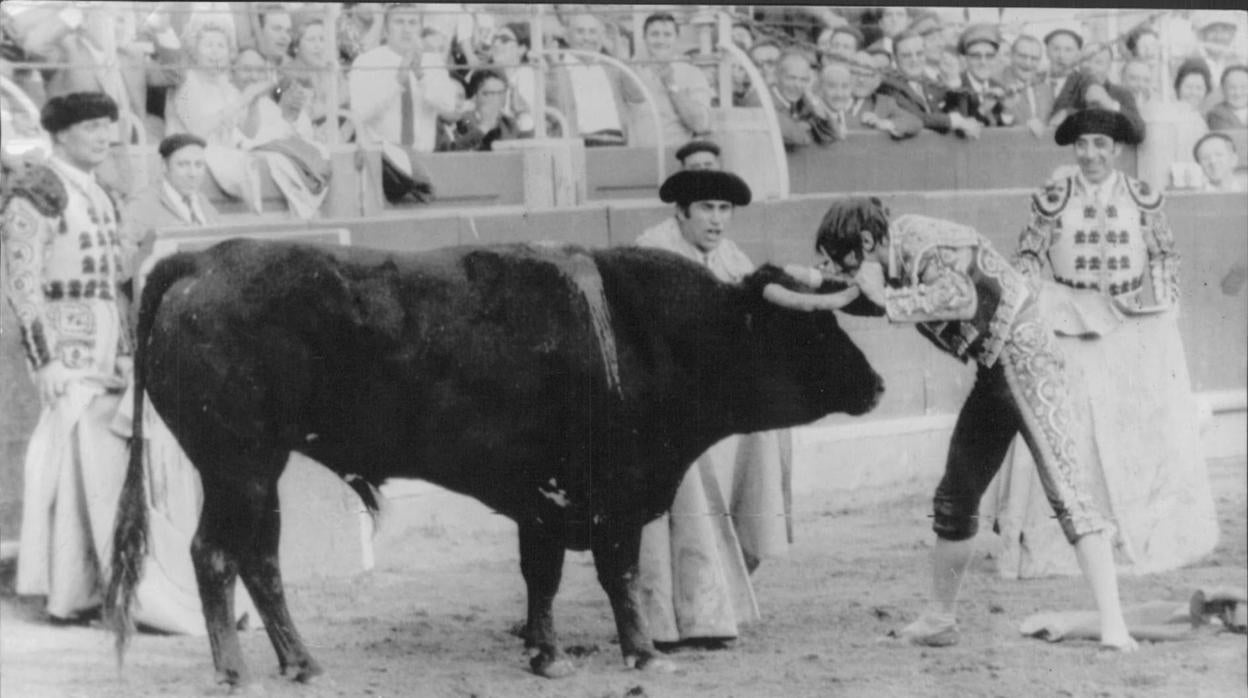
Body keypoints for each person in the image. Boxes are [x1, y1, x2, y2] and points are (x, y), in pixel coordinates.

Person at [805, 195, 1138, 651]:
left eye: (847, 259)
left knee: (1068, 491)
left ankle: (1115, 627)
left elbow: (957, 297)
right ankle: (939, 618)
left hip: (1028, 361)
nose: (848, 269)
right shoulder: (897, 251)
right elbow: (866, 295)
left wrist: (882, 295)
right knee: (957, 495)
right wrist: (816, 283)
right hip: (996, 367)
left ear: (866, 241)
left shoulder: (921, 243)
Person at [1, 93, 241, 635]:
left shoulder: (104, 193)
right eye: (91, 127)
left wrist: (131, 345)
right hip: (67, 344)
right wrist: (46, 358)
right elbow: (22, 283)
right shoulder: (35, 193)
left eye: (108, 127)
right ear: (59, 134)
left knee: (104, 464)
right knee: (74, 461)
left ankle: (97, 588)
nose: (105, 137)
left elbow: (116, 282)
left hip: (109, 340)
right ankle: (75, 592)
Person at [985, 109, 1220, 582]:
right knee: (1070, 429)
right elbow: (1028, 257)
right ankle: (1071, 538)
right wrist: (1028, 312)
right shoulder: (1053, 199)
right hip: (1069, 321)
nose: (1091, 154)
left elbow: (1164, 255)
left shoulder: (1142, 197)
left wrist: (1167, 310)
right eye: (1083, 145)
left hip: (1130, 326)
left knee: (1133, 430)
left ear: (1117, 151)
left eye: (1100, 146)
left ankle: (1134, 528)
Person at [634, 169, 793, 649]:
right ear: (679, 213)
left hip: (709, 397)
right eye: (706, 208)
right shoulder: (652, 253)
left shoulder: (729, 255)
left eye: (725, 210)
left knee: (765, 439)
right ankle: (670, 619)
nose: (718, 220)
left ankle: (717, 600)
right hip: (656, 406)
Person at [623, 13, 713, 148]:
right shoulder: (632, 72)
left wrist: (671, 85)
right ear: (644, 38)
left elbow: (700, 124)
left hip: (676, 155)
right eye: (654, 34)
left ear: (676, 38)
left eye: (667, 35)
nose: (660, 40)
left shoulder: (693, 73)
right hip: (637, 157)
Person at [877, 31, 982, 139]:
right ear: (895, 58)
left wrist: (955, 83)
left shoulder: (929, 83)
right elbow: (918, 117)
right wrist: (953, 120)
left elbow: (954, 114)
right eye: (906, 55)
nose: (914, 60)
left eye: (919, 53)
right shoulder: (888, 85)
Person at [545, 12, 628, 146]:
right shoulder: (558, 69)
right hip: (580, 144)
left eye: (592, 32)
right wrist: (556, 68)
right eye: (580, 32)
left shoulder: (611, 68)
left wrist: (622, 58)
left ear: (601, 37)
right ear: (567, 36)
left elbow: (637, 97)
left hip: (617, 142)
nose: (587, 38)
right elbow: (554, 111)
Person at [122, 133, 220, 242]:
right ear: (164, 166)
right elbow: (126, 251)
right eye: (183, 164)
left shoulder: (204, 204)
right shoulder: (142, 204)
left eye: (198, 165)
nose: (193, 173)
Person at [438, 68, 531, 151]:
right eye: (489, 93)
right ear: (475, 97)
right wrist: (485, 126)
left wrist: (523, 115)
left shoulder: (509, 123)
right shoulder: (462, 121)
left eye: (501, 93)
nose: (495, 99)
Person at [843, 51, 922, 139]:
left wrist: (884, 123)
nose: (861, 79)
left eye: (867, 75)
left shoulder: (884, 103)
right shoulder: (829, 97)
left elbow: (915, 122)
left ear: (877, 82)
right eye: (855, 73)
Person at [771, 51, 838, 149]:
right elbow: (800, 138)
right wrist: (806, 126)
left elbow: (836, 133)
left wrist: (811, 97)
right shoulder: (765, 100)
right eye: (791, 78)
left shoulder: (801, 101)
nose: (797, 85)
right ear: (776, 76)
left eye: (804, 80)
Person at [999, 34, 1054, 138]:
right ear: (1011, 55)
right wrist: (1024, 128)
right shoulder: (998, 85)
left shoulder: (1046, 90)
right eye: (1022, 56)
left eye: (1034, 58)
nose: (1028, 63)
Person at [955, 24, 1010, 127]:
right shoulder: (955, 88)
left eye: (989, 56)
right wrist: (983, 109)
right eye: (975, 56)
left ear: (996, 58)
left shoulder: (999, 87)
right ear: (965, 59)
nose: (983, 62)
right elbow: (956, 135)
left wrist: (1008, 110)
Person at [1207, 64, 1248, 129]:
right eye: (1232, 88)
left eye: (1243, 87)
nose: (1238, 93)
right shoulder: (1216, 114)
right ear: (1223, 89)